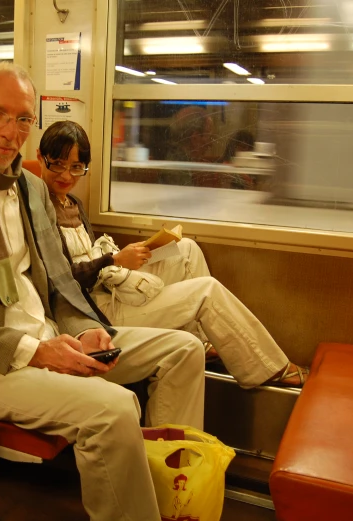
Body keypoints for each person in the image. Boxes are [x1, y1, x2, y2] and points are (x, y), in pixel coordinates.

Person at [0, 62, 205, 521]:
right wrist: (36, 351)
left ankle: (173, 492)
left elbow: (60, 285)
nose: (10, 131)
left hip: (50, 332)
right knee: (116, 406)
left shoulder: (32, 187)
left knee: (184, 349)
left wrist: (82, 330)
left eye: (22, 118)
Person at [36, 120, 308, 389]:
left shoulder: (74, 203)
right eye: (58, 164)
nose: (66, 176)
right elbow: (59, 280)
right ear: (40, 157)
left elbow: (92, 254)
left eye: (76, 167)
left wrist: (129, 254)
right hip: (95, 309)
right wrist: (115, 260)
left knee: (186, 249)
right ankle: (269, 368)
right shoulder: (39, 209)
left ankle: (203, 343)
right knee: (207, 291)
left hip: (108, 285)